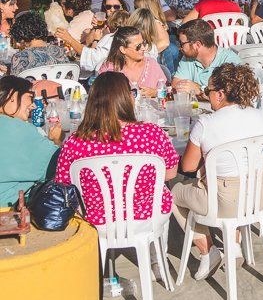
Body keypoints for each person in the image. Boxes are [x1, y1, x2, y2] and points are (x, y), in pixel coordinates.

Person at [172, 63, 263, 279]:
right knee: (232, 175)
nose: (206, 94)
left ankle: (208, 251)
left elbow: (188, 167)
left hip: (225, 200)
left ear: (220, 94)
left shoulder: (206, 123)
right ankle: (234, 246)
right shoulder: (261, 116)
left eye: (208, 90)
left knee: (171, 192)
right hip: (260, 195)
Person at [55, 72, 179, 227]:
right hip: (148, 216)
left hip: (96, 219)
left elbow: (63, 184)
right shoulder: (152, 133)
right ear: (127, 98)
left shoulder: (75, 142)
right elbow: (170, 173)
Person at [0, 76, 60, 207]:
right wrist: (56, 140)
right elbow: (58, 165)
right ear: (12, 95)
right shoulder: (18, 129)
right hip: (8, 212)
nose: (33, 105)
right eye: (29, 97)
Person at [172, 19, 242, 93]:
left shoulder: (230, 61)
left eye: (182, 43)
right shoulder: (188, 57)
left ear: (197, 45)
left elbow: (230, 95)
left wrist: (200, 90)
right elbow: (175, 85)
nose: (180, 48)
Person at [98, 27, 167, 97]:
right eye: (138, 46)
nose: (143, 48)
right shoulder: (109, 69)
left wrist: (156, 93)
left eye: (143, 43)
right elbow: (99, 97)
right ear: (123, 49)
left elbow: (168, 92)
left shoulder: (152, 64)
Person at [63, 9, 131, 74]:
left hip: (104, 77)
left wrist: (96, 40)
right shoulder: (128, 39)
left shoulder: (110, 38)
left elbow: (92, 60)